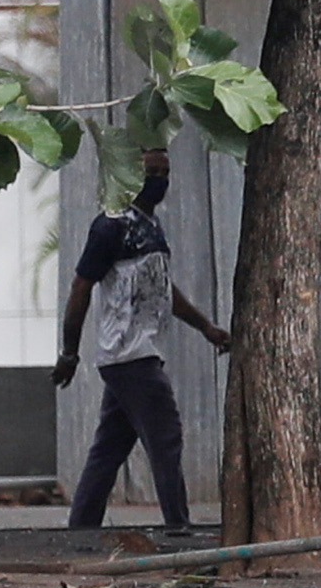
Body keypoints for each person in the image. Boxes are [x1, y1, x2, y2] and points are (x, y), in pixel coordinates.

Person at [53, 142, 224, 540]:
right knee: (166, 436)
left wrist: (205, 327)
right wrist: (69, 352)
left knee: (110, 445)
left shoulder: (151, 225)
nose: (159, 183)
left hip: (138, 352)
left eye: (164, 174)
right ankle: (178, 527)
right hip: (129, 354)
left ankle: (81, 530)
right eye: (150, 174)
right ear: (128, 176)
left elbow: (162, 289)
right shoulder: (111, 225)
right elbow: (81, 287)